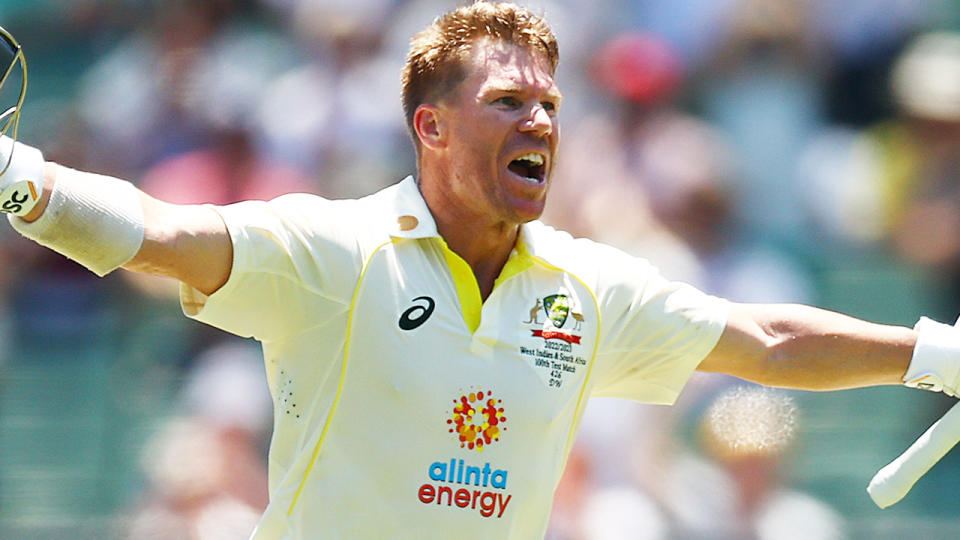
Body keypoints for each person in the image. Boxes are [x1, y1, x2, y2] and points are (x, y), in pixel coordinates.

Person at [0, 2, 956, 538]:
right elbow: (160, 233)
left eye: (548, 103)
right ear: (433, 126)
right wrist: (25, 186)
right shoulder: (334, 251)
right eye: (508, 101)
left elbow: (769, 342)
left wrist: (933, 352)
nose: (539, 121)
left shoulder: (586, 289)